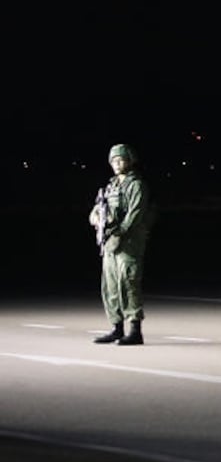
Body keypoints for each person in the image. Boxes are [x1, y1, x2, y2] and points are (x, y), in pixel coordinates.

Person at [86, 143, 156, 345]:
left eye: (121, 159)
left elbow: (135, 214)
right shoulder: (110, 187)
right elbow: (95, 211)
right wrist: (97, 219)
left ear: (130, 161)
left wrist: (120, 232)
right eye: (113, 160)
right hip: (109, 243)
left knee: (128, 283)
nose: (117, 164)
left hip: (129, 243)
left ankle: (135, 330)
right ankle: (116, 328)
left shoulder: (136, 185)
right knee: (109, 286)